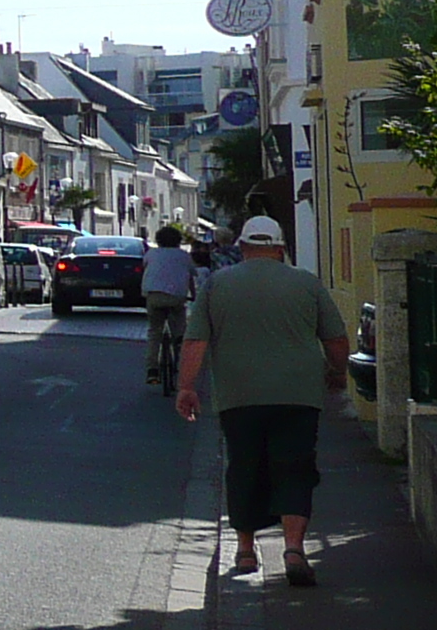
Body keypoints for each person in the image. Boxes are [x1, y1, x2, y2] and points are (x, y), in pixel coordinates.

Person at [175, 215, 350, 586]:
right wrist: (337, 372)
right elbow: (335, 338)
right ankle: (293, 549)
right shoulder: (306, 283)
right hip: (299, 395)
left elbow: (195, 341)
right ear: (281, 247)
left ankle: (244, 549)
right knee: (296, 468)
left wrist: (187, 387)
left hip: (239, 395)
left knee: (244, 467)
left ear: (242, 247)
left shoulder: (218, 284)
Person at [141, 220, 198, 392]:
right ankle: (181, 365)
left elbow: (147, 269)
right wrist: (193, 295)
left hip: (154, 295)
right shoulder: (184, 256)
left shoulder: (151, 254)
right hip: (176, 297)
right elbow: (190, 276)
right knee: (179, 331)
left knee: (154, 332)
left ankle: (152, 370)